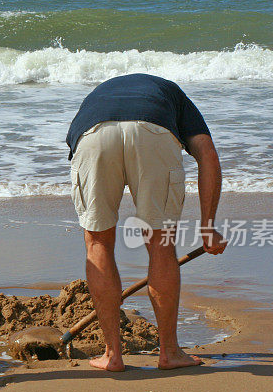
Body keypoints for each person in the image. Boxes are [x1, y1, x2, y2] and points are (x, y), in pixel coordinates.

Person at [66, 73, 227, 371]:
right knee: (161, 243)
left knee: (98, 242)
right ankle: (170, 353)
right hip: (153, 131)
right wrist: (208, 227)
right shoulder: (173, 95)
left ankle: (112, 355)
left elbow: (75, 144)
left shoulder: (97, 97)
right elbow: (207, 155)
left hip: (93, 135)